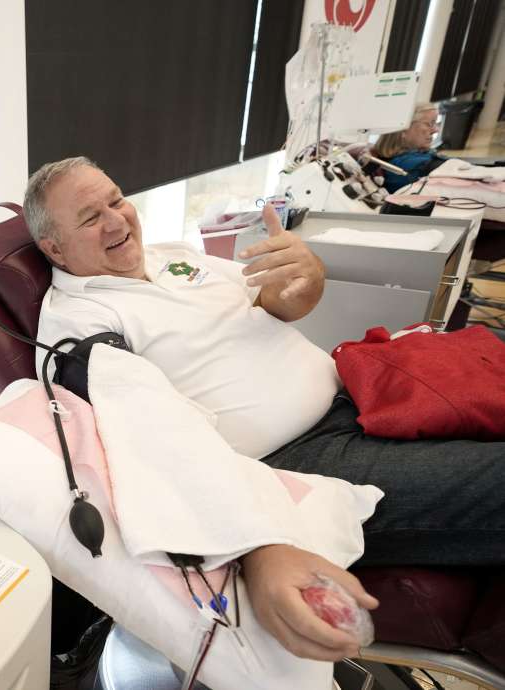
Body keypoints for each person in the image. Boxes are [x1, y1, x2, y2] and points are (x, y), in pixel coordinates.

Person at [27, 156, 504, 663]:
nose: (118, 220)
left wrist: (308, 280)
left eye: (116, 199)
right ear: (54, 247)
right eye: (89, 217)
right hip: (302, 462)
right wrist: (257, 545)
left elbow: (276, 302)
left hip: (363, 391)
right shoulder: (77, 325)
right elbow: (147, 443)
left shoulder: (176, 257)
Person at [371, 103, 445, 192]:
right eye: (429, 124)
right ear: (404, 129)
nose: (435, 130)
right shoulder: (407, 165)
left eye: (435, 124)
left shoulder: (410, 157)